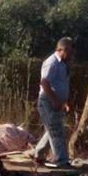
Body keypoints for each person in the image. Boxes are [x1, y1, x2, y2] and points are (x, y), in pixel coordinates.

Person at [34, 37, 74, 168]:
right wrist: (54, 100)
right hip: (47, 101)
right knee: (56, 130)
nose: (70, 53)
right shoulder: (52, 62)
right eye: (67, 50)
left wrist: (65, 101)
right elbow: (45, 83)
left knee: (52, 129)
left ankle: (38, 154)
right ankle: (61, 160)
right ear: (59, 49)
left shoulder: (63, 64)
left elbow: (61, 84)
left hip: (57, 101)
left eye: (71, 50)